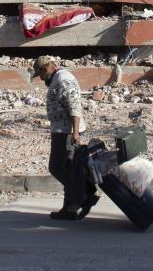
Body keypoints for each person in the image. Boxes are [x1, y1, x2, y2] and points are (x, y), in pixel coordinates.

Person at [33, 55, 99, 220]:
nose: (41, 79)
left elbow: (74, 106)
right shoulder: (60, 77)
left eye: (40, 74)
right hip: (63, 130)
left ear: (46, 68)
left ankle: (83, 196)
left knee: (58, 168)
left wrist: (75, 133)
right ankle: (72, 205)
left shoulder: (62, 79)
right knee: (68, 169)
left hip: (66, 132)